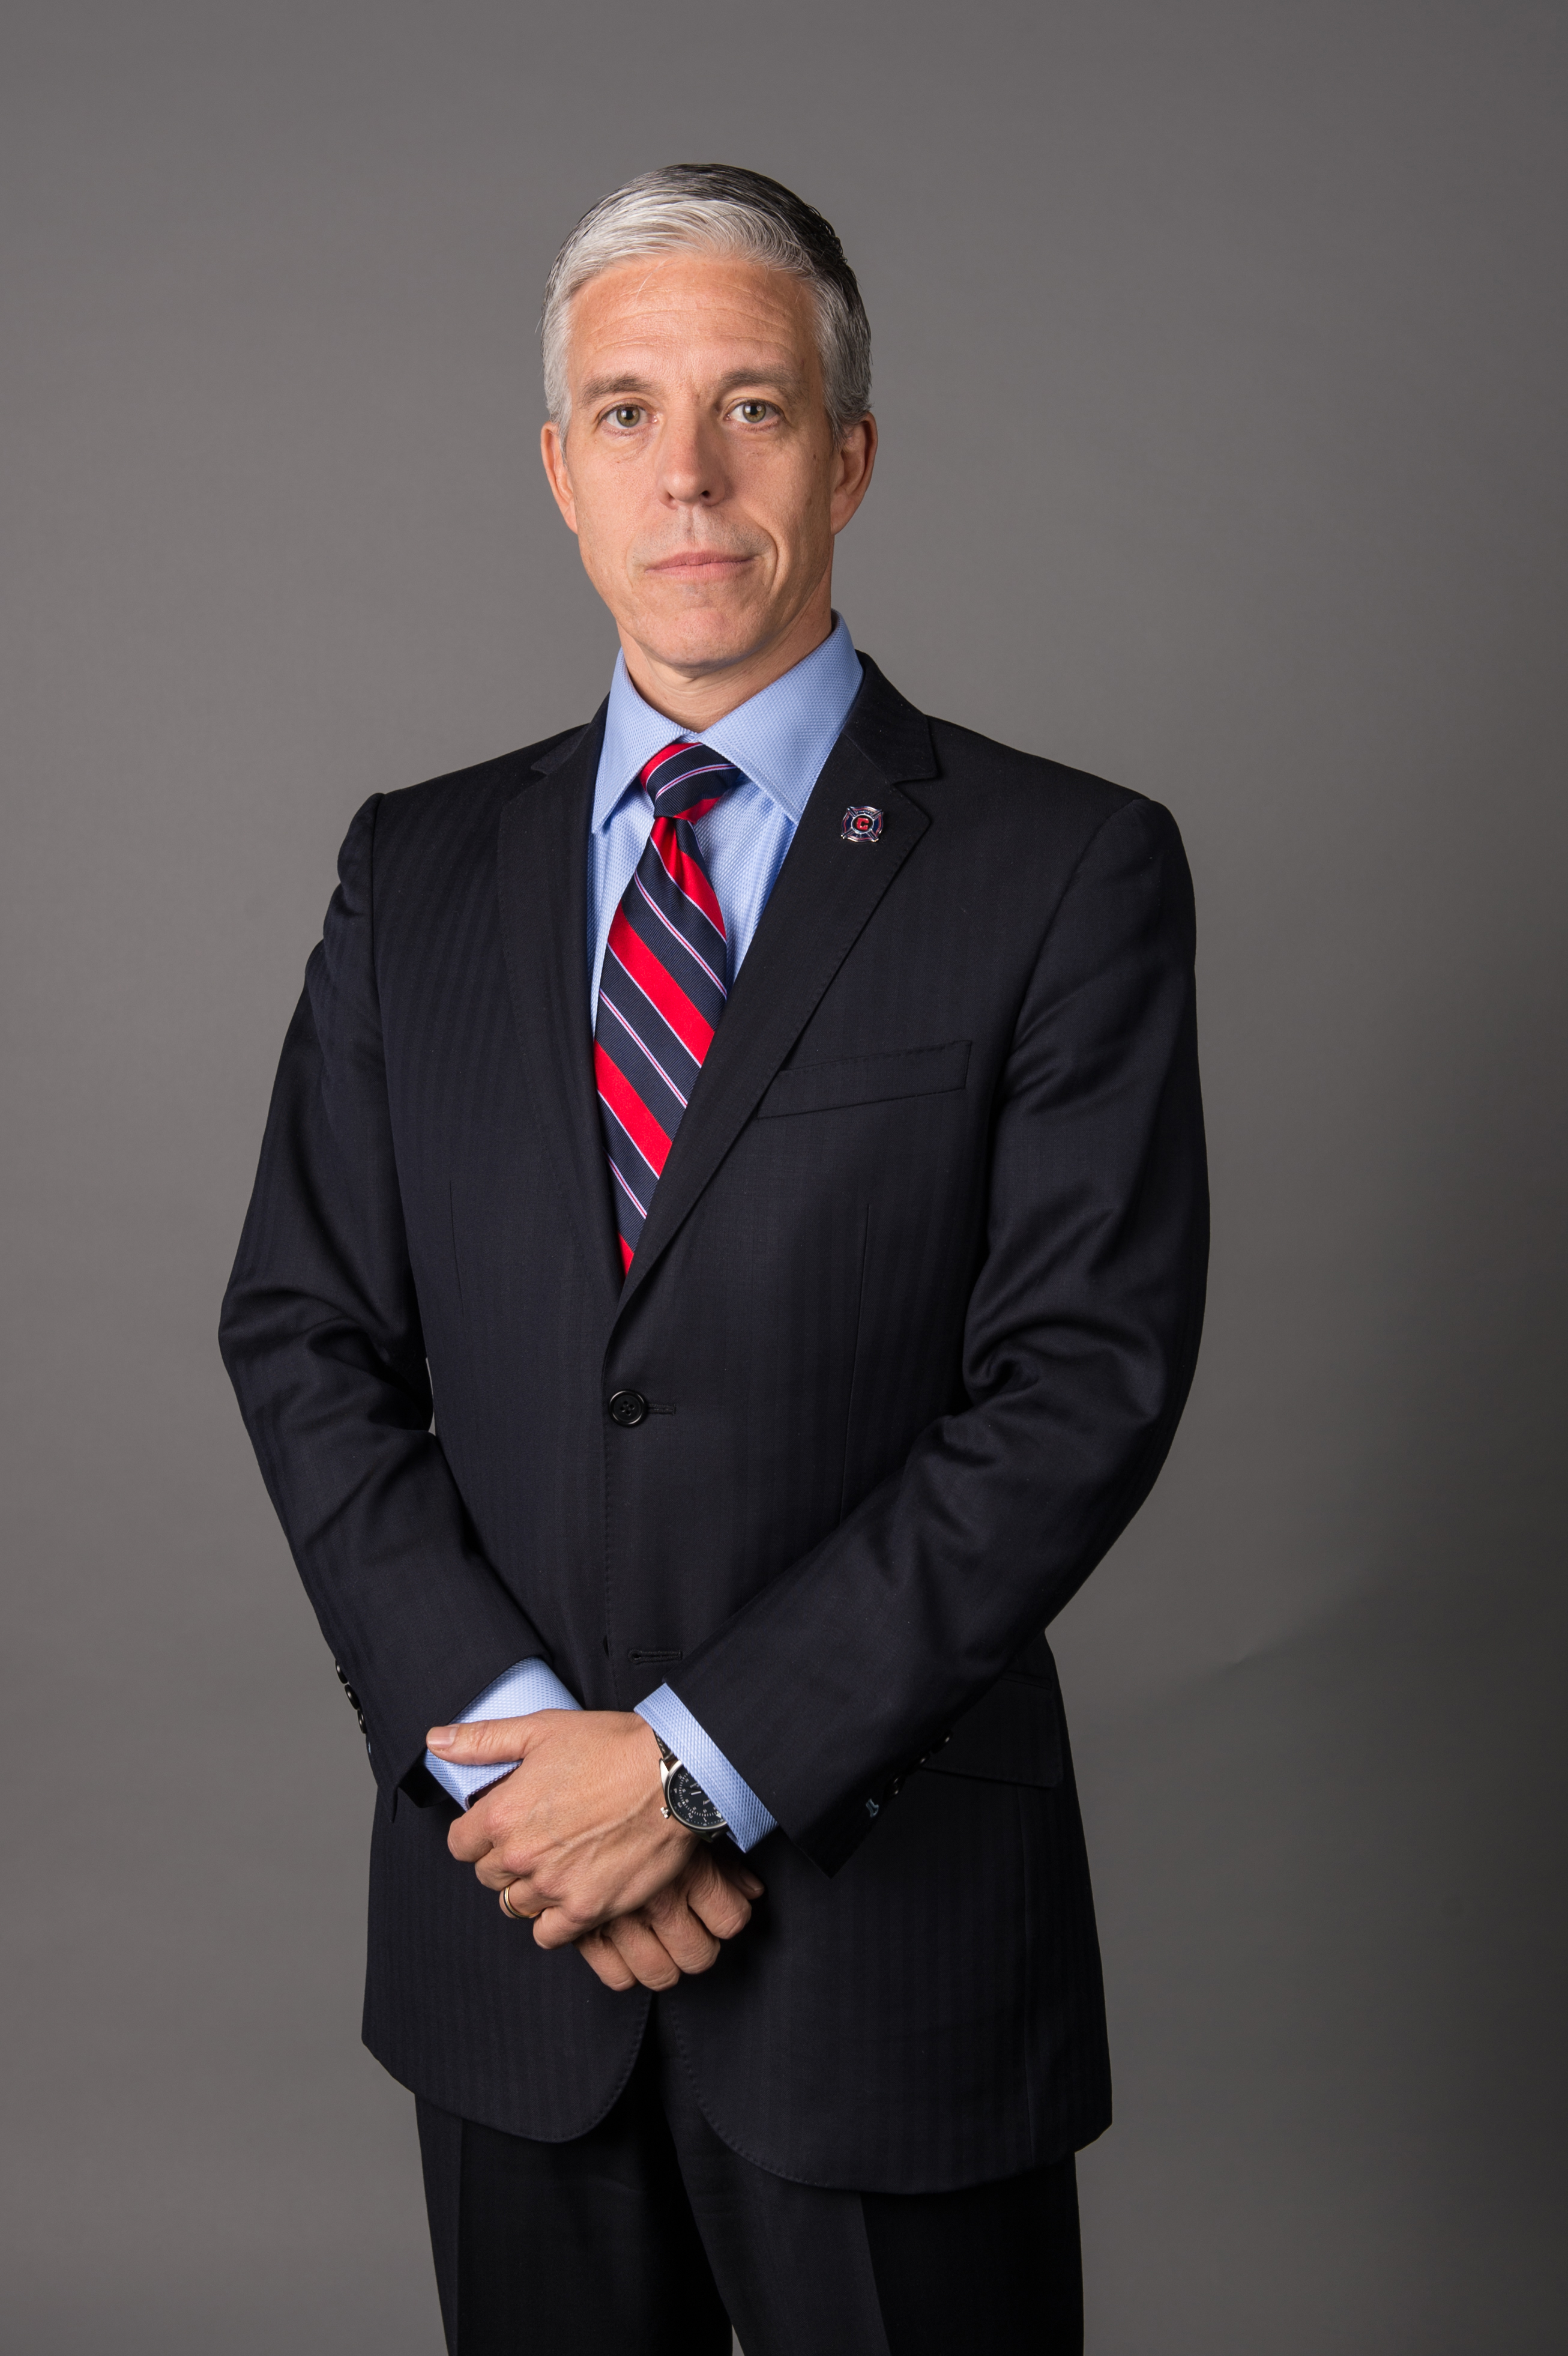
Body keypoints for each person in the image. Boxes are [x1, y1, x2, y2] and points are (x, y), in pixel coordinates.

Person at [220, 163, 1208, 2356]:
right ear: (558, 468)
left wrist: (687, 1769)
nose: (687, 471)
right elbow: (302, 1333)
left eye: (750, 407)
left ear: (844, 459)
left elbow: (1078, 1386)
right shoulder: (413, 869)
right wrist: (521, 1766)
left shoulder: (1063, 870)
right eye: (626, 411)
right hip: (514, 1950)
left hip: (885, 1947)